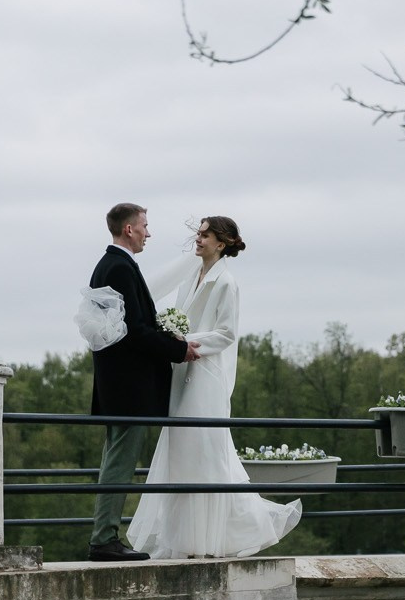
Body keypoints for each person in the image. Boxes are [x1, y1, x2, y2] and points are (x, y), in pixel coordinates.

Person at [127, 216, 302, 559]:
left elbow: (226, 334)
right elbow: (179, 315)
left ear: (221, 244)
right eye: (199, 233)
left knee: (204, 451)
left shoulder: (227, 283)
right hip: (183, 372)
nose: (199, 239)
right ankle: (187, 540)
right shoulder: (191, 277)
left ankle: (214, 538)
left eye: (205, 234)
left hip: (205, 375)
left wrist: (185, 340)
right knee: (182, 452)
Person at [87, 203, 196, 562]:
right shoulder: (118, 267)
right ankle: (104, 539)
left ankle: (104, 536)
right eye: (145, 226)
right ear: (129, 230)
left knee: (115, 459)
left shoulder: (112, 264)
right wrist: (178, 350)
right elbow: (134, 331)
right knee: (119, 462)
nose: (149, 233)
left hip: (120, 384)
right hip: (127, 386)